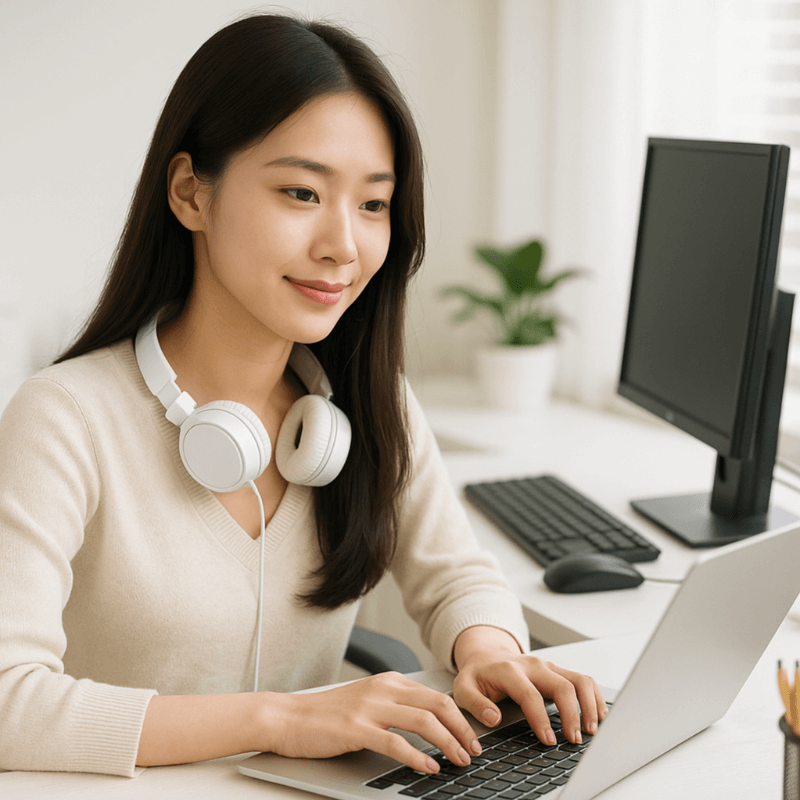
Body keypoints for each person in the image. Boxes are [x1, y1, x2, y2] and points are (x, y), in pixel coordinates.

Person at [0, 13, 606, 778]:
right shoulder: (64, 419)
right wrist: (281, 719)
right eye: (301, 192)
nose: (343, 246)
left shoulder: (364, 403)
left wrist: (488, 650)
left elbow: (455, 573)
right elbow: (7, 702)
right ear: (190, 193)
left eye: (373, 205)